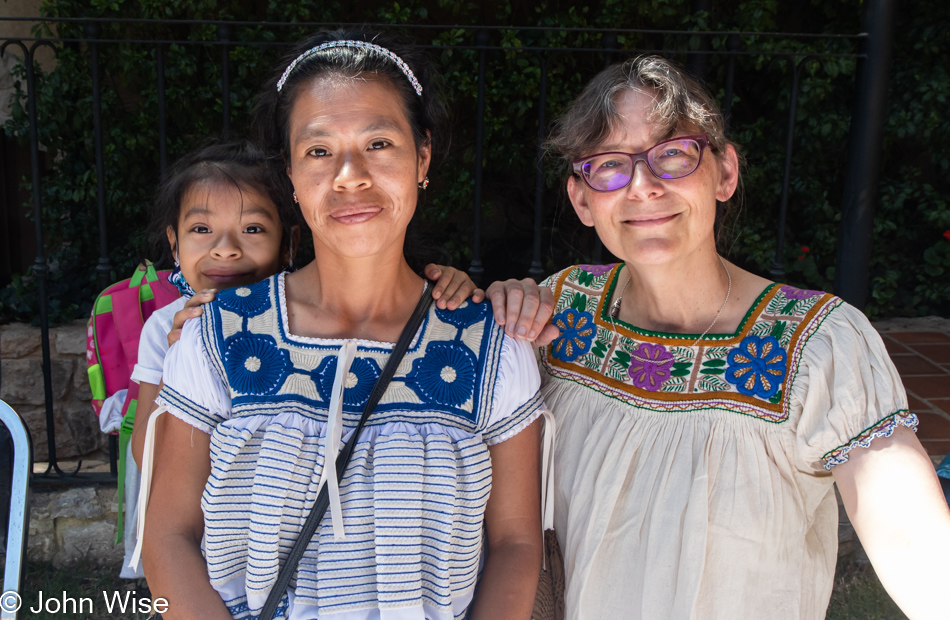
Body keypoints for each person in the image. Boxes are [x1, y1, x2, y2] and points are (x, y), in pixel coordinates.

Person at [139, 31, 546, 620]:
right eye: (319, 150)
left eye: (378, 143)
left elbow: (515, 543)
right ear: (291, 176)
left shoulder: (492, 345)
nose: (349, 175)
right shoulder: (217, 334)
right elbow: (168, 535)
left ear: (422, 158)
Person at [533, 55, 950, 619]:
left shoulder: (816, 342)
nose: (643, 186)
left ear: (725, 172)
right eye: (610, 165)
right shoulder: (562, 315)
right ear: (583, 200)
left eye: (673, 154)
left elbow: (914, 541)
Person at [126, 140, 485, 583]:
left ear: (289, 241)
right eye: (201, 229)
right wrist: (188, 368)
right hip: (211, 547)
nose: (225, 249)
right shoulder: (169, 328)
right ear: (173, 242)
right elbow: (147, 451)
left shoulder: (308, 323)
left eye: (253, 229)